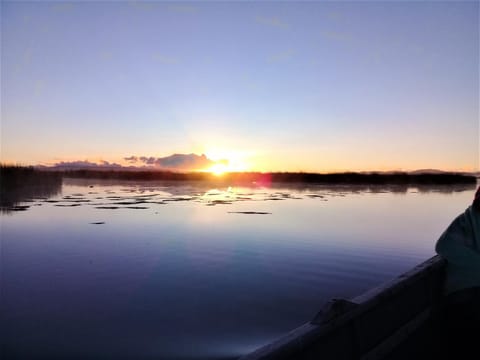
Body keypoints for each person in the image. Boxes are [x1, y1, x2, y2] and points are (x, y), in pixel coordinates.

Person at [435, 185, 480, 358]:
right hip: (464, 295)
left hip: (460, 295)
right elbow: (443, 246)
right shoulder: (465, 220)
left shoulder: (463, 219)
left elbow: (444, 245)